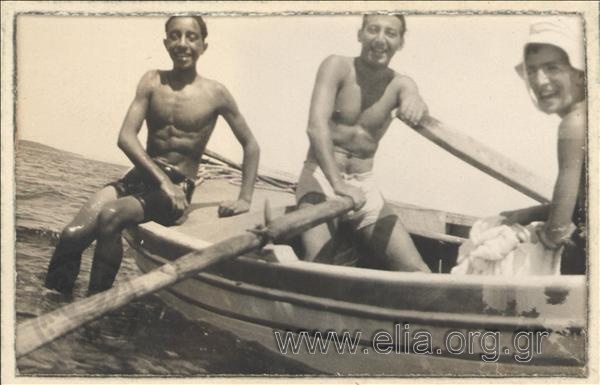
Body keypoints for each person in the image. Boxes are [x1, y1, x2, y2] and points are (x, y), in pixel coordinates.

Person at [45, 15, 260, 295]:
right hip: (146, 178)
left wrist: (244, 198)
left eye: (191, 37)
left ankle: (95, 307)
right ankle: (49, 303)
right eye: (175, 35)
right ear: (165, 42)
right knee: (71, 235)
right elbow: (126, 137)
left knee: (111, 216)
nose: (182, 43)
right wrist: (161, 182)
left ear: (203, 46)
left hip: (178, 187)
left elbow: (251, 145)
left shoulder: (216, 94)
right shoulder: (151, 81)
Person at [295, 14, 431, 272]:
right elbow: (316, 127)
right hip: (322, 179)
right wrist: (338, 184)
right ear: (360, 35)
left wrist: (417, 101)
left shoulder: (400, 84)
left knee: (419, 272)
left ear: (400, 42)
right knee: (316, 267)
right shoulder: (336, 66)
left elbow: (412, 95)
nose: (380, 39)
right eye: (373, 30)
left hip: (364, 187)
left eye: (390, 33)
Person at [500, 18, 586, 274]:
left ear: (580, 74)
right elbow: (581, 206)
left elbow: (558, 227)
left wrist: (539, 238)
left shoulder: (574, 124)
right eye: (533, 70)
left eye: (552, 68)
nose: (541, 80)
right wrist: (527, 214)